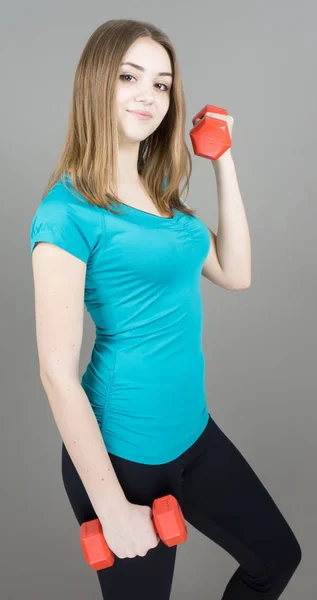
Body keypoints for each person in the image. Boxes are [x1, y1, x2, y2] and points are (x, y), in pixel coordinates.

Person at [30, 18, 302, 600]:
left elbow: (237, 273)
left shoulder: (163, 198)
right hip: (122, 455)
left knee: (276, 558)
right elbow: (56, 371)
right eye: (130, 76)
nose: (148, 95)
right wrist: (112, 507)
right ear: (96, 84)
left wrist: (221, 160)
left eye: (162, 84)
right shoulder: (67, 212)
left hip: (193, 435)